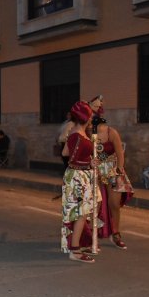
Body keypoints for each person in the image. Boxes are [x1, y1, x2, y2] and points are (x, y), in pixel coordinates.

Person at [89, 96, 134, 250]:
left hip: (112, 171)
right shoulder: (89, 133)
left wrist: (118, 170)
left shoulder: (111, 132)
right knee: (95, 205)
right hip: (95, 172)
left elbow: (120, 154)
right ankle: (93, 235)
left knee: (114, 204)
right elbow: (89, 152)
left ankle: (116, 233)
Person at [61, 101, 101, 263]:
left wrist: (89, 160)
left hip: (80, 176)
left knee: (83, 213)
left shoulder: (76, 133)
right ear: (85, 118)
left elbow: (65, 152)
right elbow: (73, 160)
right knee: (81, 214)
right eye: (90, 115)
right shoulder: (78, 135)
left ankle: (79, 243)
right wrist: (89, 163)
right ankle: (75, 250)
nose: (92, 118)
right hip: (78, 177)